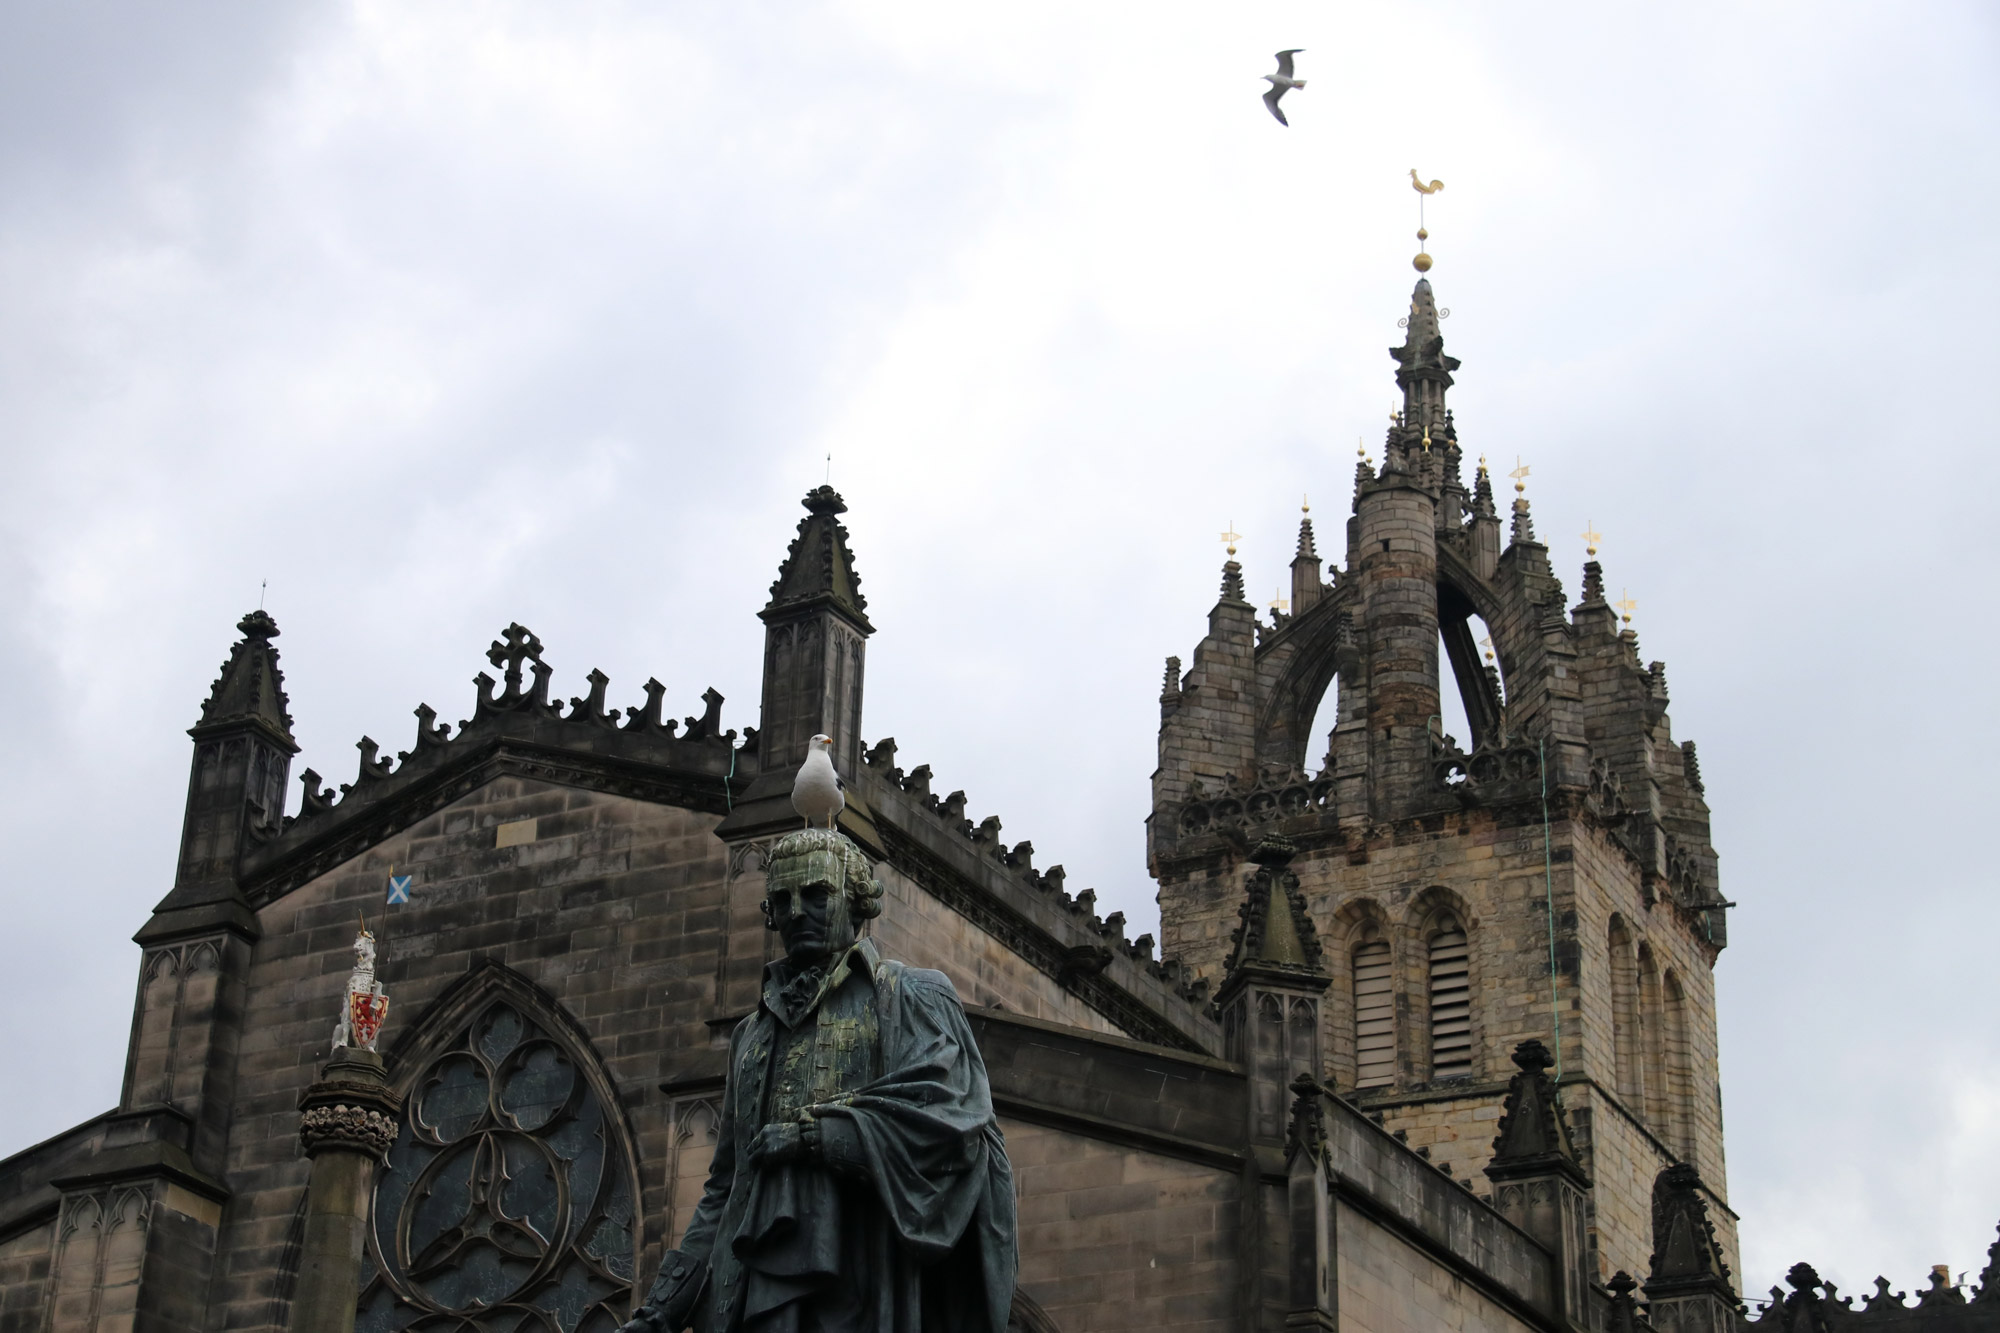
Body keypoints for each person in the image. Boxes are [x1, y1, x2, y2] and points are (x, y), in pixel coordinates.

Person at [623, 829, 1016, 1333]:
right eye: (781, 900)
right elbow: (726, 1188)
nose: (795, 911)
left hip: (868, 1275)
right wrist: (659, 1312)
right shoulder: (751, 1034)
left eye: (816, 894)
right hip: (758, 1287)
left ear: (856, 902)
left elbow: (950, 1118)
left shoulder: (909, 995)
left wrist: (818, 1137)